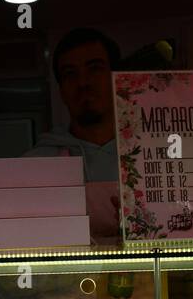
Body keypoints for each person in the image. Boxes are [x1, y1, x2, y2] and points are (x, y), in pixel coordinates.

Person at [25, 27, 122, 238]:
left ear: (117, 78)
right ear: (61, 90)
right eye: (70, 74)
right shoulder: (36, 164)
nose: (83, 82)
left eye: (94, 69)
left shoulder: (152, 153)